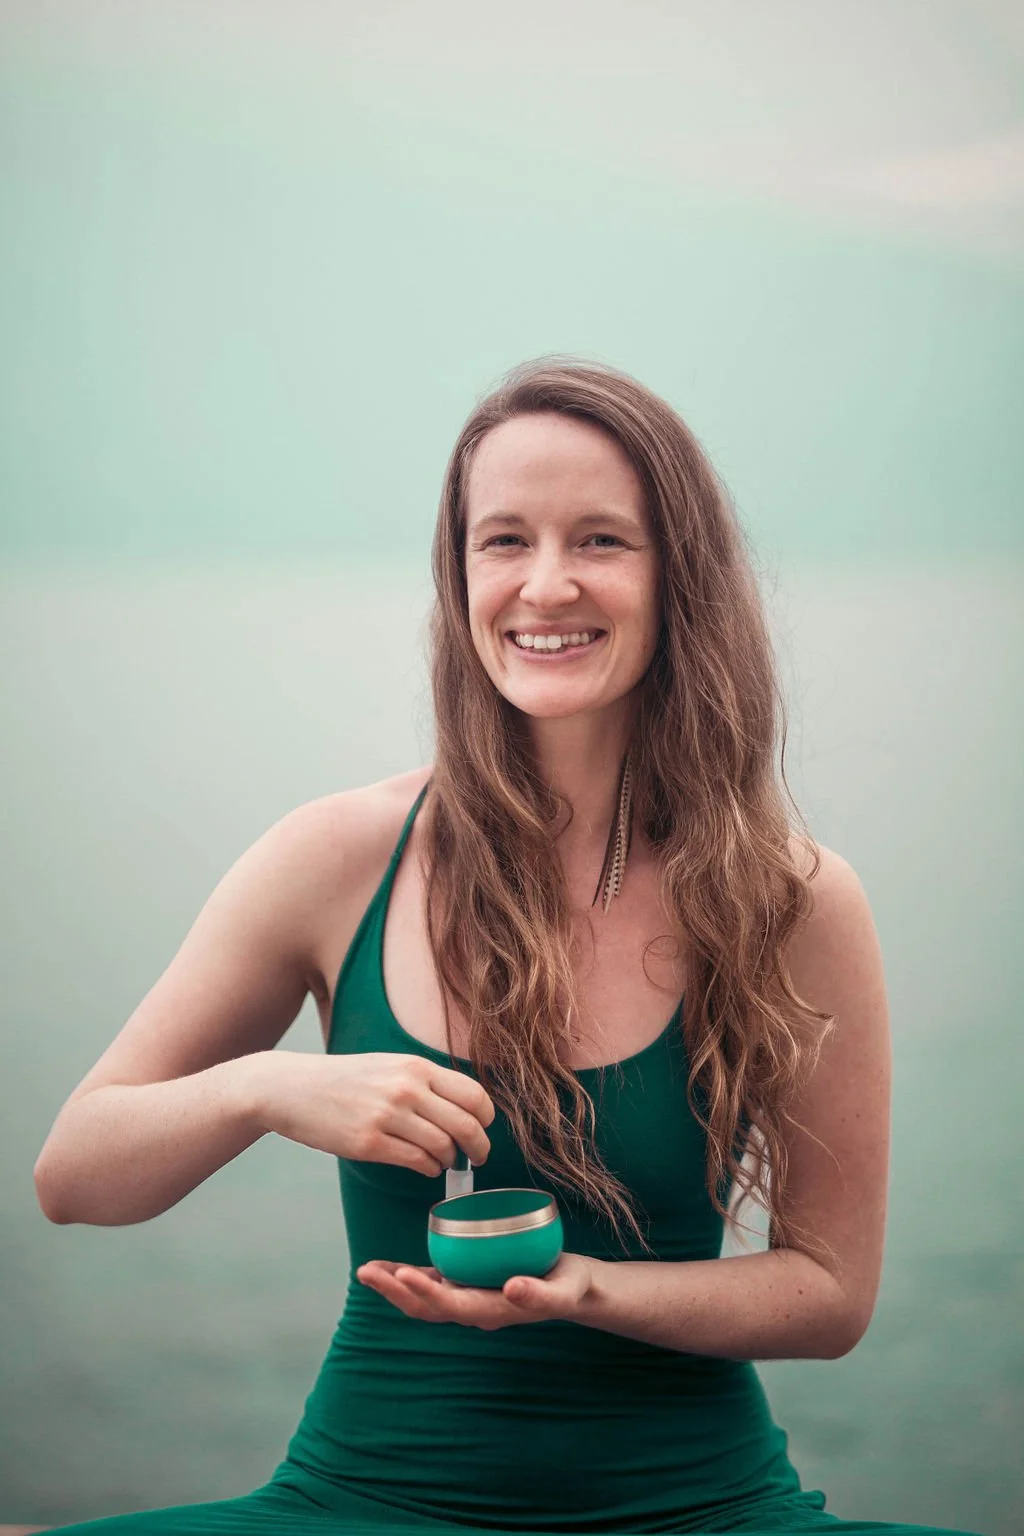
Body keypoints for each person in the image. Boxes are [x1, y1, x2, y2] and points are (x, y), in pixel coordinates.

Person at [25, 359, 984, 1536]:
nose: (543, 585)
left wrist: (588, 1291)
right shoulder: (338, 857)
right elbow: (73, 1176)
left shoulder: (793, 901)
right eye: (503, 541)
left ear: (679, 574)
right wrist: (270, 1089)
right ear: (458, 569)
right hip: (359, 1501)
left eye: (599, 541)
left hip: (701, 1509)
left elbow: (830, 1296)